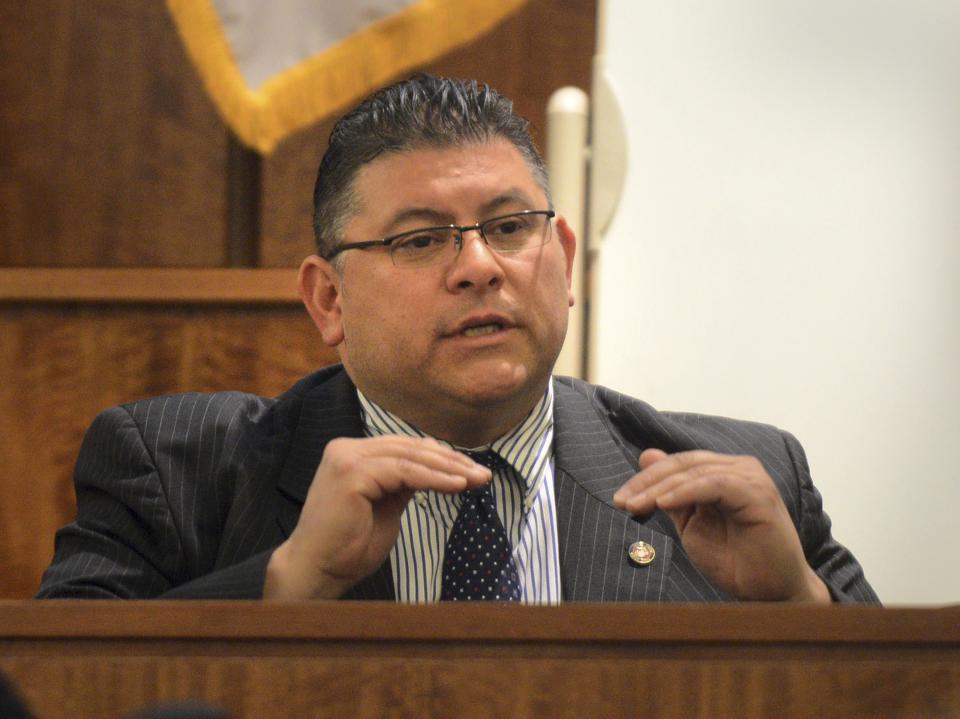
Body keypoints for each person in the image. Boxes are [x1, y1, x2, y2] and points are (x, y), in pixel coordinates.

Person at [37, 74, 877, 604]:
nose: (479, 265)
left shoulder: (745, 490)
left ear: (565, 260)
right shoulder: (174, 473)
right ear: (328, 299)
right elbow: (58, 694)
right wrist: (286, 584)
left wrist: (801, 607)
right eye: (419, 239)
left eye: (510, 226)